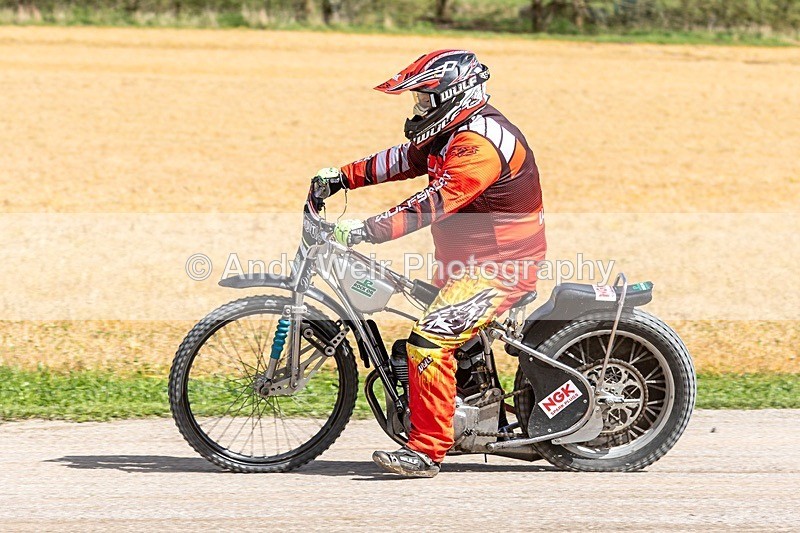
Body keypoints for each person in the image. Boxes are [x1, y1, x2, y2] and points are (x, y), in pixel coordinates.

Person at [314, 49, 546, 477]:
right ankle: (468, 403)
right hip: (465, 263)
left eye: (423, 100)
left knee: (429, 341)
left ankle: (427, 450)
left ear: (451, 95)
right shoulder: (451, 132)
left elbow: (433, 203)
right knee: (429, 321)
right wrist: (341, 176)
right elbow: (405, 160)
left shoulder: (478, 145)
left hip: (499, 269)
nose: (418, 108)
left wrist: (366, 229)